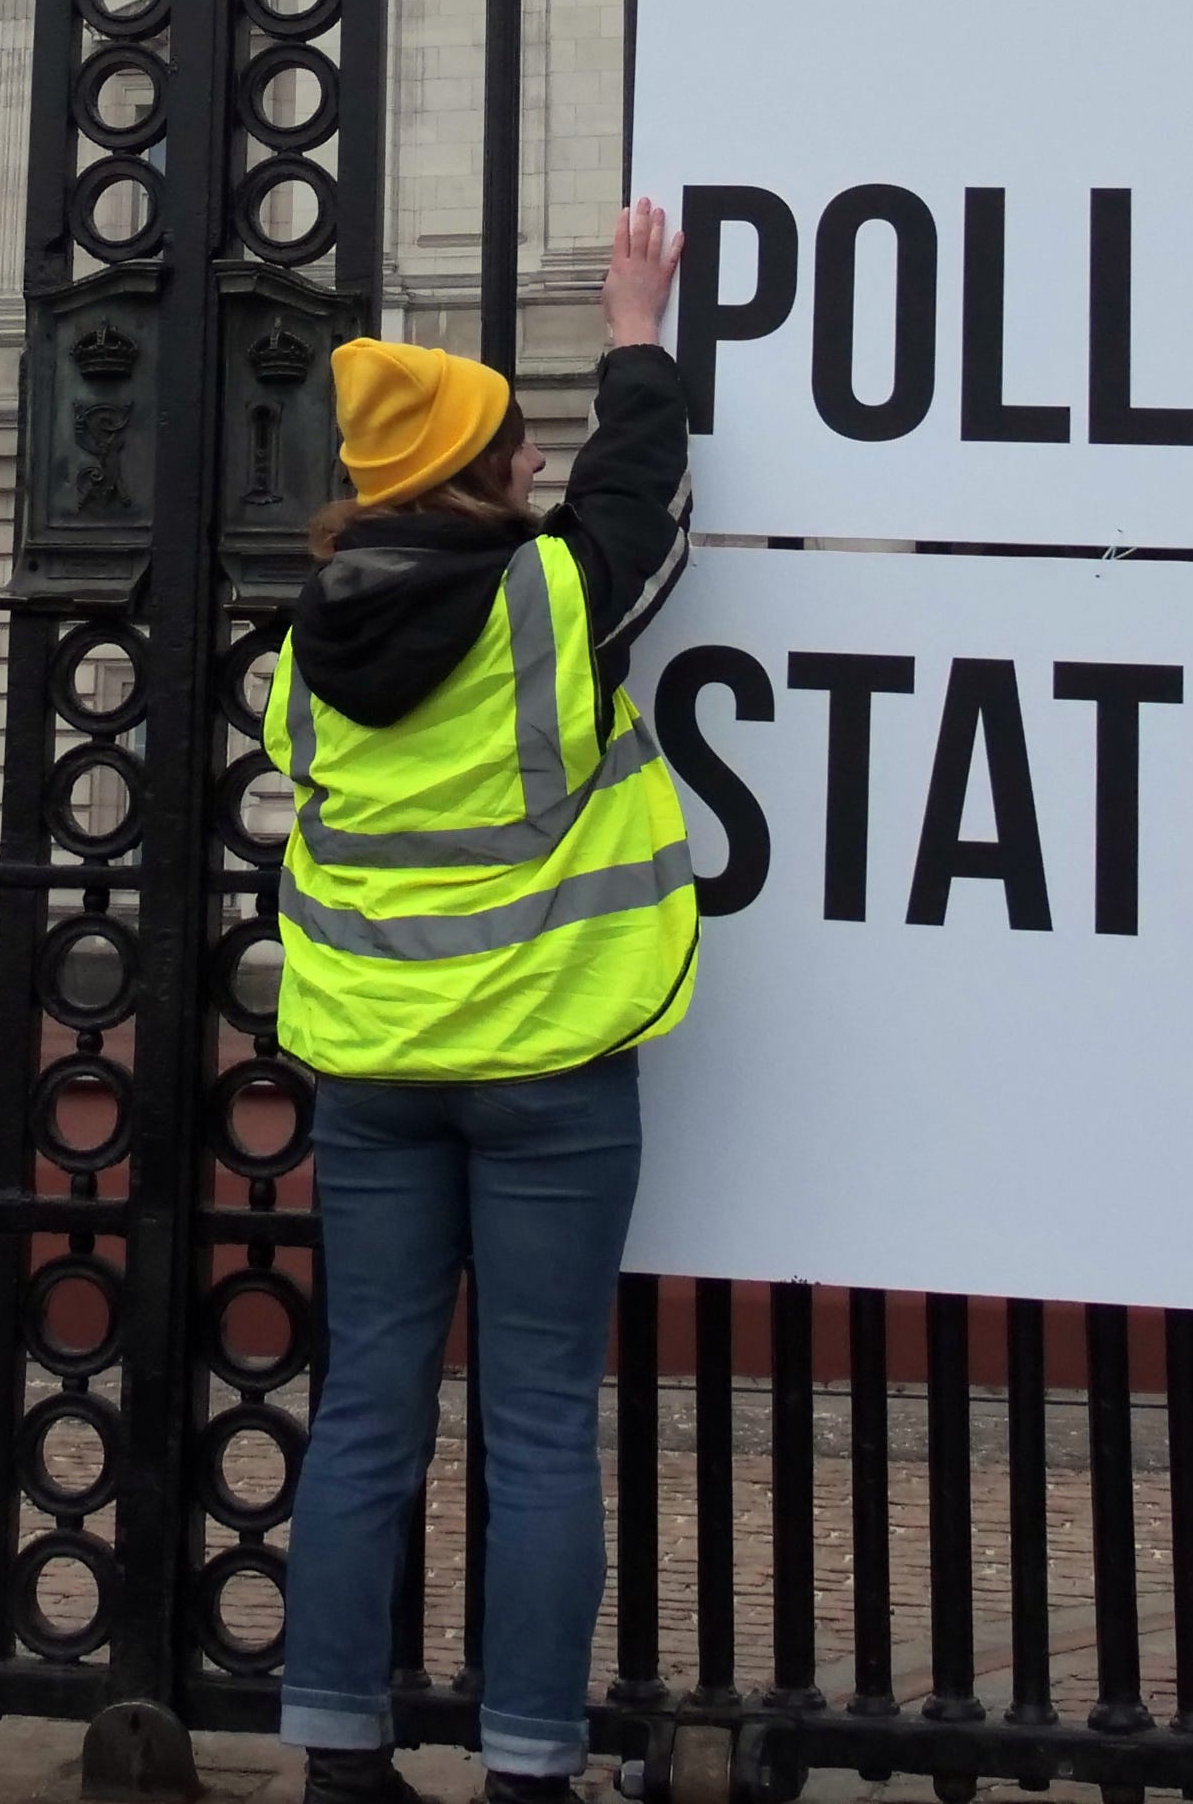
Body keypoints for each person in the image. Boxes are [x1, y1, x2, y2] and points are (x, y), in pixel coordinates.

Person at [274, 202, 696, 1804]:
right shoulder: (548, 607)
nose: (533, 465)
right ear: (476, 467)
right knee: (537, 1427)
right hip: (548, 1069)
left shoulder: (302, 653)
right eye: (512, 447)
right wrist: (635, 332)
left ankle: (335, 1760)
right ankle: (529, 1770)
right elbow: (638, 498)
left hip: (372, 1070)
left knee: (366, 1410)